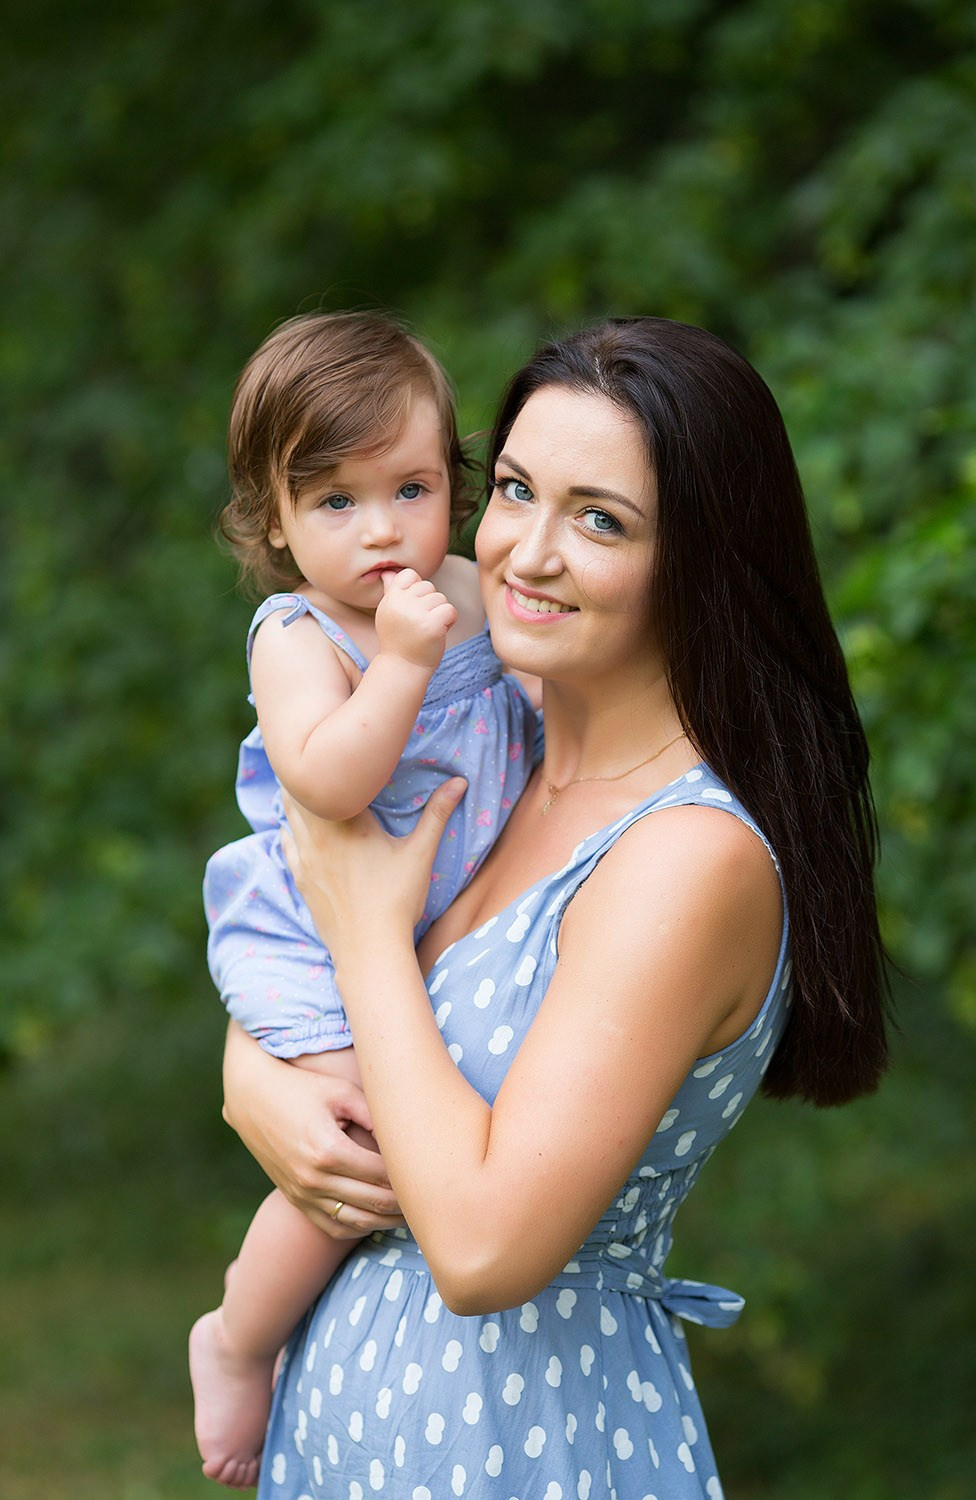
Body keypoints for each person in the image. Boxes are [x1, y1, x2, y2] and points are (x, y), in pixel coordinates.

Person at [220, 316, 890, 1498]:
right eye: (518, 490)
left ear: (701, 560)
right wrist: (255, 1079)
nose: (524, 553)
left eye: (600, 519)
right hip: (344, 1431)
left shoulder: (687, 855)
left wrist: (370, 938)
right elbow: (306, 928)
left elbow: (481, 1250)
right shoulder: (492, 733)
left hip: (525, 1445)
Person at [188, 311, 538, 1488]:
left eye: (409, 487)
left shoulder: (474, 592)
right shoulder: (301, 634)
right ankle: (238, 1337)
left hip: (436, 919)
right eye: (334, 502)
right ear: (274, 524)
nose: (383, 530)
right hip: (314, 926)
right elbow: (327, 776)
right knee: (357, 1142)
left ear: (454, 481)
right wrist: (399, 662)